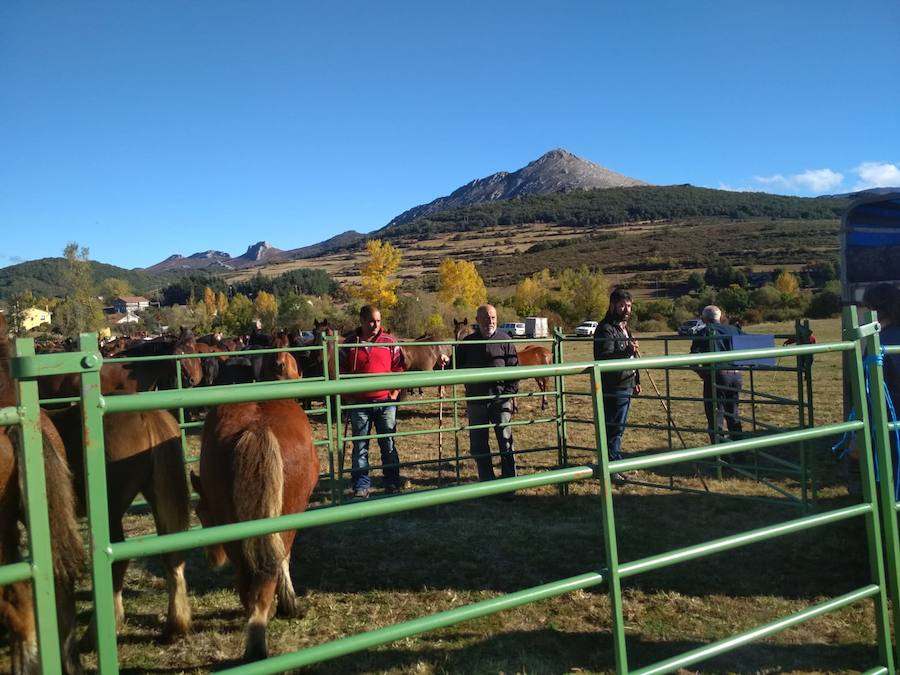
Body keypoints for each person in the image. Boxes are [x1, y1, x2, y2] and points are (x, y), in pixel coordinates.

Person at [341, 305, 405, 498]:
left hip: (385, 401)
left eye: (378, 321)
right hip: (359, 404)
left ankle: (392, 481)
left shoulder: (390, 342)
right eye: (371, 321)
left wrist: (394, 392)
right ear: (361, 321)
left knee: (388, 442)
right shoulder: (350, 343)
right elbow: (341, 371)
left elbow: (399, 368)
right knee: (360, 446)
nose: (375, 325)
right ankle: (361, 486)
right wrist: (348, 396)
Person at [456, 304, 519, 482]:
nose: (490, 321)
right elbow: (455, 364)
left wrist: (507, 395)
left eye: (492, 317)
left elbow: (515, 370)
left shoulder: (505, 340)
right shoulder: (468, 343)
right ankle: (486, 480)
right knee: (478, 444)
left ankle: (510, 481)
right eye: (485, 318)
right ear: (477, 320)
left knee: (505, 441)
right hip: (476, 401)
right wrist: (443, 360)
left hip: (500, 400)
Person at [593, 288, 641, 484]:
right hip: (613, 386)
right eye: (622, 305)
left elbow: (632, 357)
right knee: (613, 428)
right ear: (612, 305)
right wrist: (626, 350)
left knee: (618, 428)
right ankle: (612, 470)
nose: (626, 309)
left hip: (627, 383)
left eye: (629, 305)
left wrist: (637, 380)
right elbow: (602, 358)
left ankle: (615, 465)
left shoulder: (625, 328)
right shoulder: (605, 329)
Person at [690, 305, 744, 445]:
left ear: (703, 319)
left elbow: (693, 359)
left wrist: (703, 373)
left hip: (717, 376)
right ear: (720, 317)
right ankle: (740, 454)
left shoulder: (704, 332)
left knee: (715, 416)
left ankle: (721, 457)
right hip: (736, 375)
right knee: (733, 415)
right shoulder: (734, 330)